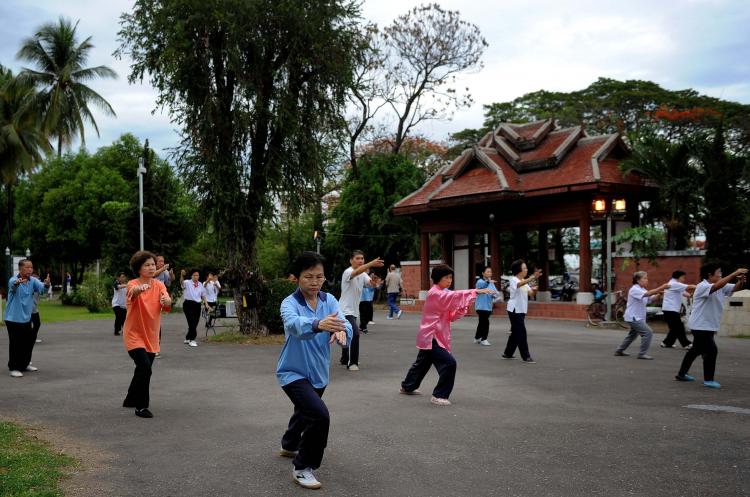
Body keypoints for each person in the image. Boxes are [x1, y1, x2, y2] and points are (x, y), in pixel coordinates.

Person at [276, 251, 352, 490]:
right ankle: (303, 467)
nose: (315, 282)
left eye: (319, 277)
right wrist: (319, 324)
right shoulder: (289, 303)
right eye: (309, 277)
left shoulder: (329, 300)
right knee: (319, 415)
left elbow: (344, 323)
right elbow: (294, 325)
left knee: (305, 411)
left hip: (319, 373)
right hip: (292, 373)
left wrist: (342, 332)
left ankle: (289, 443)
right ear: (296, 277)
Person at [399, 264, 493, 405]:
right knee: (449, 363)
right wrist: (475, 292)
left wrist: (464, 305)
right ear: (438, 278)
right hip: (431, 336)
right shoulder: (435, 293)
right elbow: (453, 296)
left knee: (422, 363)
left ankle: (408, 386)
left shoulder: (442, 293)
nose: (449, 280)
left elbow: (451, 316)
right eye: (446, 277)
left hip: (434, 335)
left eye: (451, 277)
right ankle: (439, 395)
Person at [675, 264, 747, 388]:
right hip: (700, 325)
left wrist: (740, 281)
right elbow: (715, 287)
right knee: (711, 351)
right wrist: (734, 274)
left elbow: (734, 288)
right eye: (718, 272)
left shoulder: (720, 285)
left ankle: (681, 374)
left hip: (707, 325)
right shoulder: (703, 286)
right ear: (709, 275)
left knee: (695, 350)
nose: (721, 274)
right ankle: (708, 379)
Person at [122, 251, 171, 418]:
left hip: (151, 335)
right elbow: (133, 292)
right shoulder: (132, 283)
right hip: (134, 335)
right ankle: (141, 406)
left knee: (142, 369)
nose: (151, 268)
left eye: (153, 264)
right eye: (147, 265)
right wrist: (139, 289)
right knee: (145, 368)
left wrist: (167, 301)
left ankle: (130, 399)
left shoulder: (159, 285)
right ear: (139, 268)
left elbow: (167, 300)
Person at [338, 250, 384, 371]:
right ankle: (352, 363)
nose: (360, 261)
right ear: (351, 260)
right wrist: (370, 264)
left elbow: (371, 285)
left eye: (362, 259)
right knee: (355, 333)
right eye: (357, 258)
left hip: (353, 310)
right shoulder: (348, 272)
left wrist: (375, 283)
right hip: (344, 310)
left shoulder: (363, 274)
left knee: (347, 332)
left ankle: (344, 358)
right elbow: (356, 272)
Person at [4, 261, 50, 377]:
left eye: (31, 267)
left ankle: (24, 364)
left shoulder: (33, 281)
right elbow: (12, 286)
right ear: (20, 269)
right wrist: (17, 284)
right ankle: (13, 367)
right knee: (15, 344)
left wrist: (46, 285)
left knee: (27, 343)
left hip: (26, 318)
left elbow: (43, 290)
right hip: (13, 318)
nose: (30, 269)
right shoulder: (13, 279)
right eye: (27, 267)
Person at [614, 271, 670, 360]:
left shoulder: (642, 290)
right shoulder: (634, 289)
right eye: (645, 278)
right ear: (638, 280)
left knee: (632, 335)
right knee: (648, 332)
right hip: (633, 317)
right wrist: (661, 287)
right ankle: (642, 354)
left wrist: (659, 294)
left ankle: (619, 350)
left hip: (637, 317)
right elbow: (648, 294)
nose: (647, 280)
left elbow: (650, 299)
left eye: (646, 278)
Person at [502, 260, 541, 363]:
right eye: (524, 268)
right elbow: (519, 284)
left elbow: (531, 294)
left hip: (521, 310)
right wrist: (532, 277)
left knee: (515, 332)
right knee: (521, 332)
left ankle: (508, 353)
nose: (526, 269)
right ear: (518, 270)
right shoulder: (513, 279)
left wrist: (535, 289)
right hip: (514, 310)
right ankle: (526, 356)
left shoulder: (524, 281)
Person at [660, 270, 696, 349]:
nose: (684, 279)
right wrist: (703, 287)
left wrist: (691, 295)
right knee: (679, 327)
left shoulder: (675, 285)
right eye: (683, 277)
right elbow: (690, 286)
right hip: (670, 310)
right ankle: (686, 344)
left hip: (670, 309)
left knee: (674, 328)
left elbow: (686, 294)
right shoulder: (674, 284)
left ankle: (667, 342)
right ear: (678, 277)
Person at [181, 269, 209, 347]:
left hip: (197, 305)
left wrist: (206, 304)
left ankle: (187, 337)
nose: (196, 277)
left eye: (197, 275)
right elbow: (181, 283)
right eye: (195, 275)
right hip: (188, 304)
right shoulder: (187, 282)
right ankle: (192, 339)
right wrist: (182, 275)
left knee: (195, 322)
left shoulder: (200, 284)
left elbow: (203, 295)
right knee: (191, 322)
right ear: (191, 276)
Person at [474, 266, 498, 346]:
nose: (489, 273)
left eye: (490, 272)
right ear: (483, 273)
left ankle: (477, 337)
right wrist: (488, 282)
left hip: (488, 306)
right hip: (481, 306)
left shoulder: (491, 283)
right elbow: (483, 286)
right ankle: (484, 339)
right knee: (485, 323)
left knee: (481, 322)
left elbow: (496, 292)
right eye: (487, 271)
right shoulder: (480, 281)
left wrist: (494, 295)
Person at [112, 272, 128, 336]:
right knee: (119, 316)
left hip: (124, 305)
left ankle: (125, 330)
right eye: (122, 277)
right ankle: (116, 330)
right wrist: (127, 285)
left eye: (124, 277)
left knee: (124, 318)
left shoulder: (126, 285)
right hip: (116, 304)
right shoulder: (116, 283)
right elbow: (118, 287)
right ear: (118, 278)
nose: (123, 278)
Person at [31, 272, 43, 343]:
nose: (36, 279)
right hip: (28, 309)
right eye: (34, 277)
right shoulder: (29, 285)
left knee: (37, 324)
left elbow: (43, 290)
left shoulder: (38, 286)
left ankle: (32, 338)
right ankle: (30, 338)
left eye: (37, 277)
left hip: (34, 309)